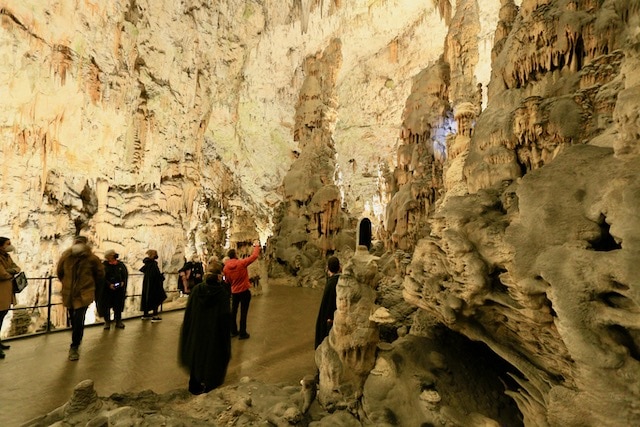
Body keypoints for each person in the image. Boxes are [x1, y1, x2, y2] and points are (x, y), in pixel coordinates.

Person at [179, 261, 231, 394]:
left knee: (197, 361)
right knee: (212, 361)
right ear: (219, 276)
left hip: (198, 333)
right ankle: (209, 389)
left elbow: (189, 314)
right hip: (214, 335)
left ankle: (195, 387)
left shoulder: (196, 290)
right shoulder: (222, 294)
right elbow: (225, 319)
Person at [56, 235, 105, 361]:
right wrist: (67, 283)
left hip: (84, 294)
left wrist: (90, 286)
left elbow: (100, 274)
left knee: (78, 318)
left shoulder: (92, 259)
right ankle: (76, 337)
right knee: (73, 318)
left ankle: (75, 346)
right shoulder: (66, 257)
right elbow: (60, 272)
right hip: (69, 293)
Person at [223, 240, 260, 340]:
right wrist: (256, 246)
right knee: (243, 312)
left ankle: (233, 331)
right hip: (244, 291)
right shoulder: (241, 263)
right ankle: (242, 333)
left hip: (234, 292)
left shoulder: (226, 268)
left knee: (234, 311)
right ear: (235, 255)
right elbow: (254, 256)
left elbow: (227, 280)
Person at [0, 237, 21, 359]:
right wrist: (11, 272)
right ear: (1, 246)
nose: (10, 246)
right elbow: (2, 274)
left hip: (6, 292)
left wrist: (11, 271)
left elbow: (17, 267)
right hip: (1, 292)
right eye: (8, 244)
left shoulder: (6, 256)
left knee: (1, 318)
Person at [97, 249, 128, 330]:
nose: (115, 255)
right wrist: (109, 284)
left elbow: (124, 275)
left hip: (119, 290)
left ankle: (118, 321)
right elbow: (102, 278)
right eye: (113, 254)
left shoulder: (120, 265)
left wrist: (123, 282)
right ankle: (107, 322)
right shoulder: (104, 266)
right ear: (109, 256)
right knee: (106, 306)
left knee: (118, 306)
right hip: (107, 291)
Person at [314, 256, 341, 349]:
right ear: (339, 267)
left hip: (330, 319)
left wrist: (329, 319)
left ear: (328, 268)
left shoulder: (331, 283)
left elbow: (327, 304)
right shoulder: (341, 281)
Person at [139, 249, 167, 322]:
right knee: (156, 299)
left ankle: (145, 314)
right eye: (155, 254)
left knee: (147, 298)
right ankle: (155, 316)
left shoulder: (147, 264)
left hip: (147, 285)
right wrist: (162, 277)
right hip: (154, 286)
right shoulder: (153, 264)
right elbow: (155, 276)